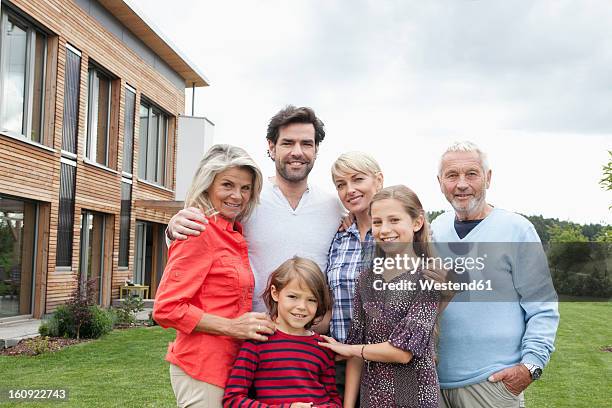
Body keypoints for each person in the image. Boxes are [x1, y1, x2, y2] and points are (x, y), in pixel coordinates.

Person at [166, 106, 345, 315]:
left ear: (316, 149)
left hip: (310, 336)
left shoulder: (334, 206)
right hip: (248, 333)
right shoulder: (246, 199)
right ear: (271, 147)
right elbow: (203, 237)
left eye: (306, 143)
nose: (297, 151)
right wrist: (172, 229)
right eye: (287, 143)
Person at [431, 141, 559, 408]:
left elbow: (543, 307)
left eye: (472, 174)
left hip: (492, 384)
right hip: (434, 383)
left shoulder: (517, 230)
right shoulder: (436, 229)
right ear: (440, 182)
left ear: (488, 178)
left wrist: (530, 367)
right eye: (452, 175)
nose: (462, 184)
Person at [153, 144, 276, 408]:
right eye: (227, 185)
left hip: (231, 367)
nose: (237, 196)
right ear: (207, 185)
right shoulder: (198, 231)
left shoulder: (233, 232)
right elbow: (166, 309)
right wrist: (232, 327)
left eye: (245, 188)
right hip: (202, 367)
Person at [320, 185, 441, 408]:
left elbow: (403, 352)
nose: (384, 229)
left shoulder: (429, 276)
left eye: (394, 220)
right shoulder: (366, 279)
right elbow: (357, 349)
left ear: (417, 222)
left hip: (414, 396)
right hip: (373, 397)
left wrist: (349, 349)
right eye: (377, 222)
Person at [223, 256, 342, 408]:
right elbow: (233, 399)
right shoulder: (257, 341)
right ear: (275, 293)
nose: (302, 306)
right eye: (293, 297)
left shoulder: (322, 347)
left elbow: (334, 400)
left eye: (311, 300)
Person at [325, 151, 383, 395]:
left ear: (378, 181)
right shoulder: (339, 237)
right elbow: (331, 302)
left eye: (358, 179)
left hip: (386, 362)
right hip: (341, 363)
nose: (349, 190)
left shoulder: (398, 234)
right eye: (341, 184)